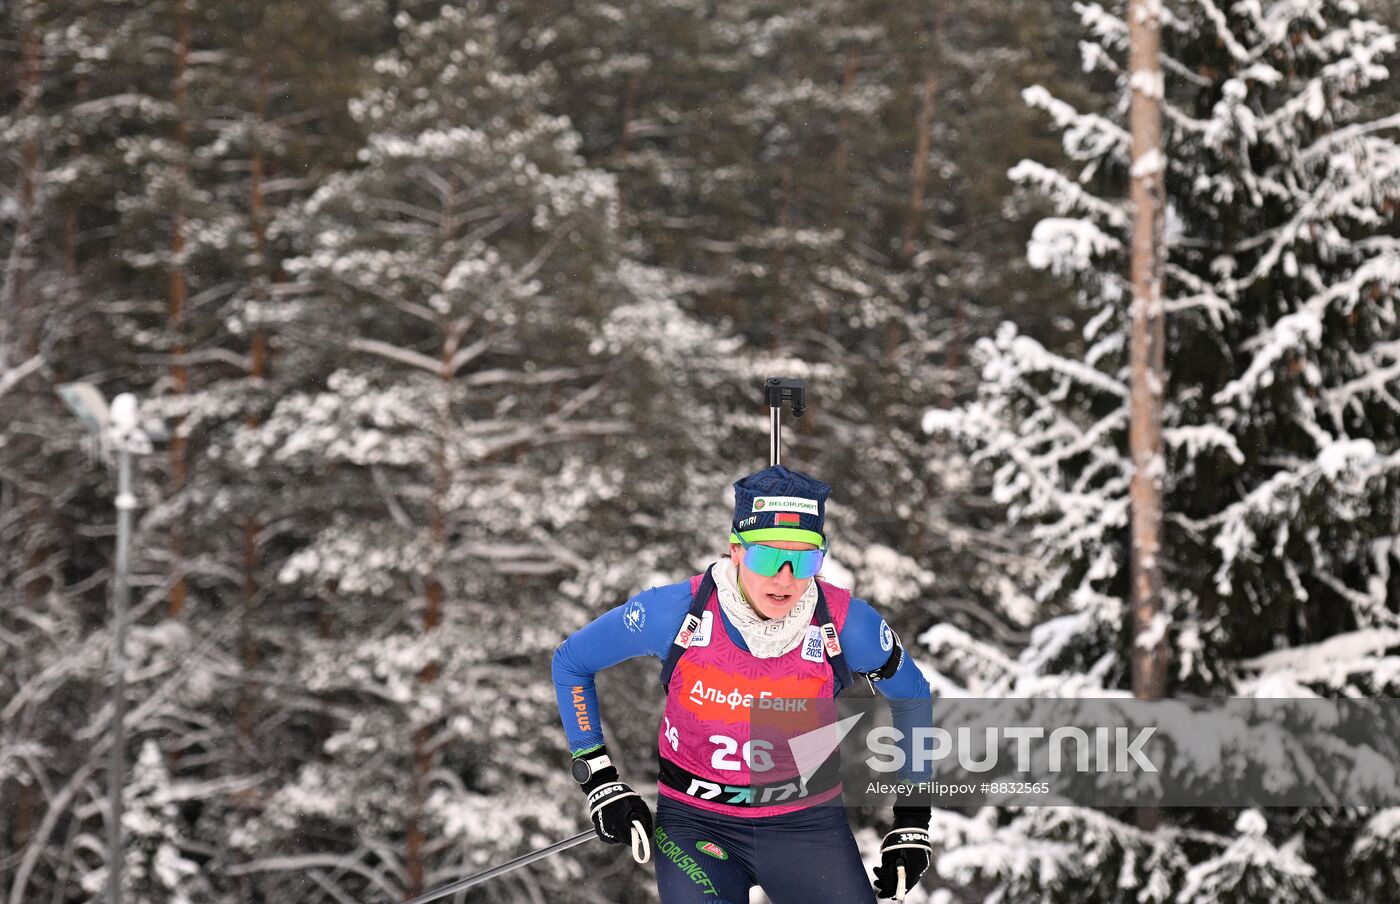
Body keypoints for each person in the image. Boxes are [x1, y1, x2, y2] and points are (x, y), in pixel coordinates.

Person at [552, 465, 935, 903]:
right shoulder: (675, 613)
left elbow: (914, 697)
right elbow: (571, 663)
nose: (785, 577)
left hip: (805, 826)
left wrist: (912, 819)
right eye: (768, 556)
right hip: (696, 823)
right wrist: (599, 777)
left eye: (805, 558)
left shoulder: (846, 625)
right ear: (736, 550)